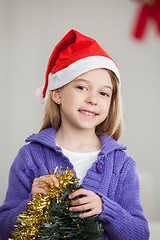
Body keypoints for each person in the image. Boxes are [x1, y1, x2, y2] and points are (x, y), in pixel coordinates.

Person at [0, 29, 150, 239]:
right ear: (57, 93)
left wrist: (105, 208)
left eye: (104, 93)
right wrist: (31, 204)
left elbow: (140, 234)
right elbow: (2, 230)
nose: (93, 99)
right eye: (81, 87)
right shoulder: (30, 157)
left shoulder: (122, 165)